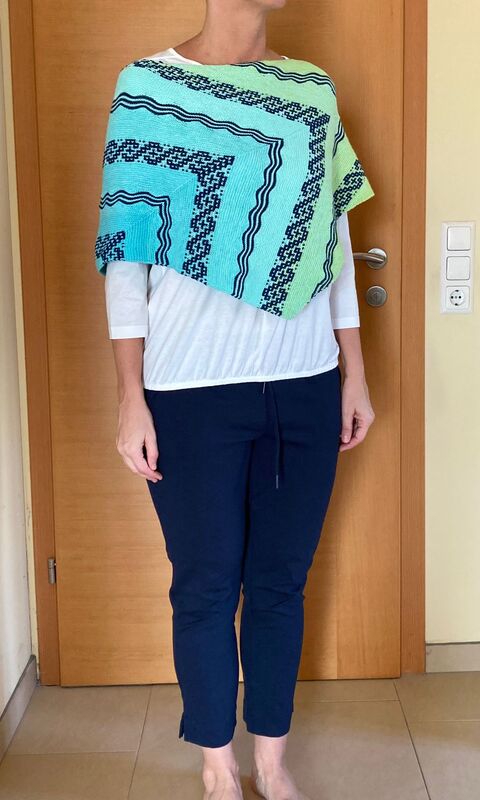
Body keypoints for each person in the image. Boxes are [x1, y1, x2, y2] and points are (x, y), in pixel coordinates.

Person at [98, 1, 375, 797]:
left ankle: (271, 761)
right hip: (189, 392)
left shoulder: (311, 91)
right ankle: (217, 766)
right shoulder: (148, 89)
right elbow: (126, 257)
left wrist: (353, 373)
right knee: (206, 585)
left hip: (304, 382)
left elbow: (334, 247)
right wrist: (130, 396)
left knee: (281, 582)